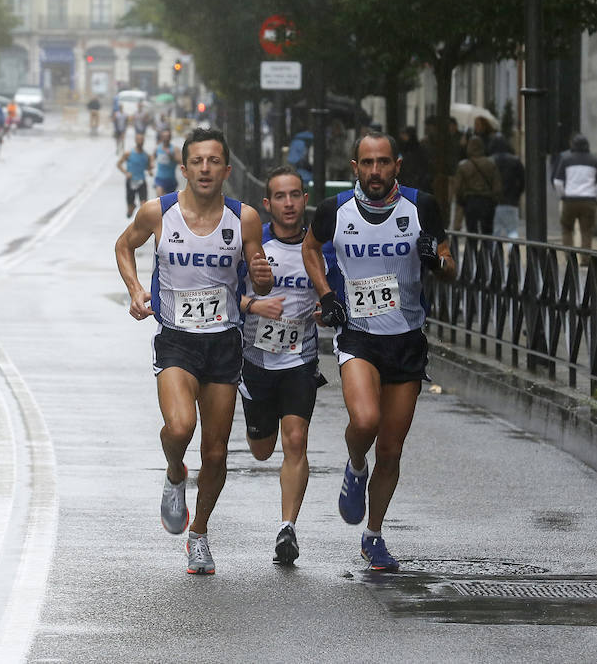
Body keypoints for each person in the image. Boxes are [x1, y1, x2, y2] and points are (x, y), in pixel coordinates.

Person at [114, 128, 273, 575]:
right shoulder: (158, 212)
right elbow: (124, 246)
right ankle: (174, 472)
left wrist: (262, 277)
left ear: (226, 169)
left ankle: (199, 534)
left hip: (224, 343)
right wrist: (135, 290)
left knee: (218, 453)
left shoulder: (244, 219)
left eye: (214, 161)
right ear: (184, 169)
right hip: (177, 339)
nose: (206, 169)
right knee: (180, 426)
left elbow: (260, 278)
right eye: (197, 161)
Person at [302, 131, 456, 572]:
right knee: (365, 421)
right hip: (358, 336)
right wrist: (328, 293)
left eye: (383, 163)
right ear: (355, 167)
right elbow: (311, 249)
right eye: (367, 163)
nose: (375, 171)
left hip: (406, 340)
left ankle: (373, 535)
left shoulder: (421, 206)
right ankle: (353, 465)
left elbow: (450, 267)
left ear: (397, 165)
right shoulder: (334, 210)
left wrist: (435, 258)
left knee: (390, 449)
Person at [238, 165, 331, 566]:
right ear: (267, 203)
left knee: (295, 442)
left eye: (295, 195)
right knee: (261, 451)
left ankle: (287, 528)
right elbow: (227, 297)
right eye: (280, 196)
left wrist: (326, 310)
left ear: (305, 199)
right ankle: (261, 429)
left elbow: (334, 299)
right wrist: (255, 304)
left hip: (300, 359)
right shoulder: (252, 247)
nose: (289, 203)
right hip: (256, 361)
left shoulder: (320, 250)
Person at [553, 133, 597, 264]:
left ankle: (569, 258)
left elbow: (557, 182)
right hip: (588, 200)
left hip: (570, 200)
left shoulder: (566, 159)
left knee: (567, 229)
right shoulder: (594, 160)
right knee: (586, 231)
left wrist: (563, 195)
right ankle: (585, 259)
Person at [454, 136, 502, 235]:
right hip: (487, 201)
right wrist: (495, 200)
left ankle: (472, 250)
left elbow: (458, 188)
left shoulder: (463, 166)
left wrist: (461, 201)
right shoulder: (491, 164)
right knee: (487, 233)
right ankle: (487, 250)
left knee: (472, 232)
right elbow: (497, 186)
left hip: (470, 201)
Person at [490, 135, 525, 239]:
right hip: (511, 202)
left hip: (494, 203)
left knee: (495, 233)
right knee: (512, 231)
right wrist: (517, 195)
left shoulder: (490, 161)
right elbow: (522, 181)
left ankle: (494, 255)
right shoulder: (515, 161)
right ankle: (512, 253)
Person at [118, 133, 153, 218]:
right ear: (135, 141)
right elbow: (119, 164)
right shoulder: (128, 153)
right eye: (138, 140)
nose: (140, 142)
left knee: (144, 204)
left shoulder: (146, 156)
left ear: (144, 142)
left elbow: (148, 168)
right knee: (129, 212)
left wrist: (150, 171)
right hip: (131, 181)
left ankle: (141, 220)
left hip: (141, 181)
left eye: (142, 140)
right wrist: (126, 173)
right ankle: (132, 206)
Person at [397, 126, 431, 191]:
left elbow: (424, 166)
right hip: (404, 181)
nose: (402, 137)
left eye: (405, 134)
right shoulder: (401, 148)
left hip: (417, 182)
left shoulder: (419, 150)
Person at [153, 128, 181, 197]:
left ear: (170, 138)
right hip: (160, 178)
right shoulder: (158, 148)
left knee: (168, 202)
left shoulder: (175, 149)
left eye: (167, 137)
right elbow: (152, 157)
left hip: (171, 179)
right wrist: (150, 166)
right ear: (161, 138)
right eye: (164, 137)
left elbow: (181, 161)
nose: (166, 138)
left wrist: (171, 155)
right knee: (159, 198)